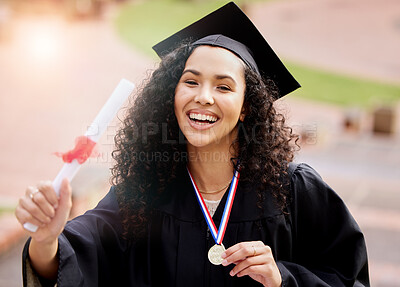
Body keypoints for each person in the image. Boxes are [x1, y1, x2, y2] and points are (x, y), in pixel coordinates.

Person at [15, 2, 369, 286]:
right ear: (172, 94)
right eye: (190, 81)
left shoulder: (293, 189)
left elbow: (346, 276)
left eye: (224, 86)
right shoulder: (142, 194)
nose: (203, 97)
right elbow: (74, 260)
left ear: (247, 108)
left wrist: (283, 279)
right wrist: (45, 239)